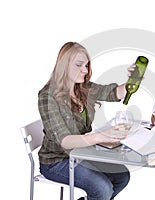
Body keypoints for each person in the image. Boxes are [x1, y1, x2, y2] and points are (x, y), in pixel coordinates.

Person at [38, 42, 131, 200]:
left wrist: (132, 81)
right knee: (102, 189)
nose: (85, 70)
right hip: (56, 161)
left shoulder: (82, 88)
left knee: (121, 175)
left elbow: (115, 93)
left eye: (87, 65)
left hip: (80, 154)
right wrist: (102, 136)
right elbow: (65, 141)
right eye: (79, 65)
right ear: (64, 65)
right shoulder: (48, 97)